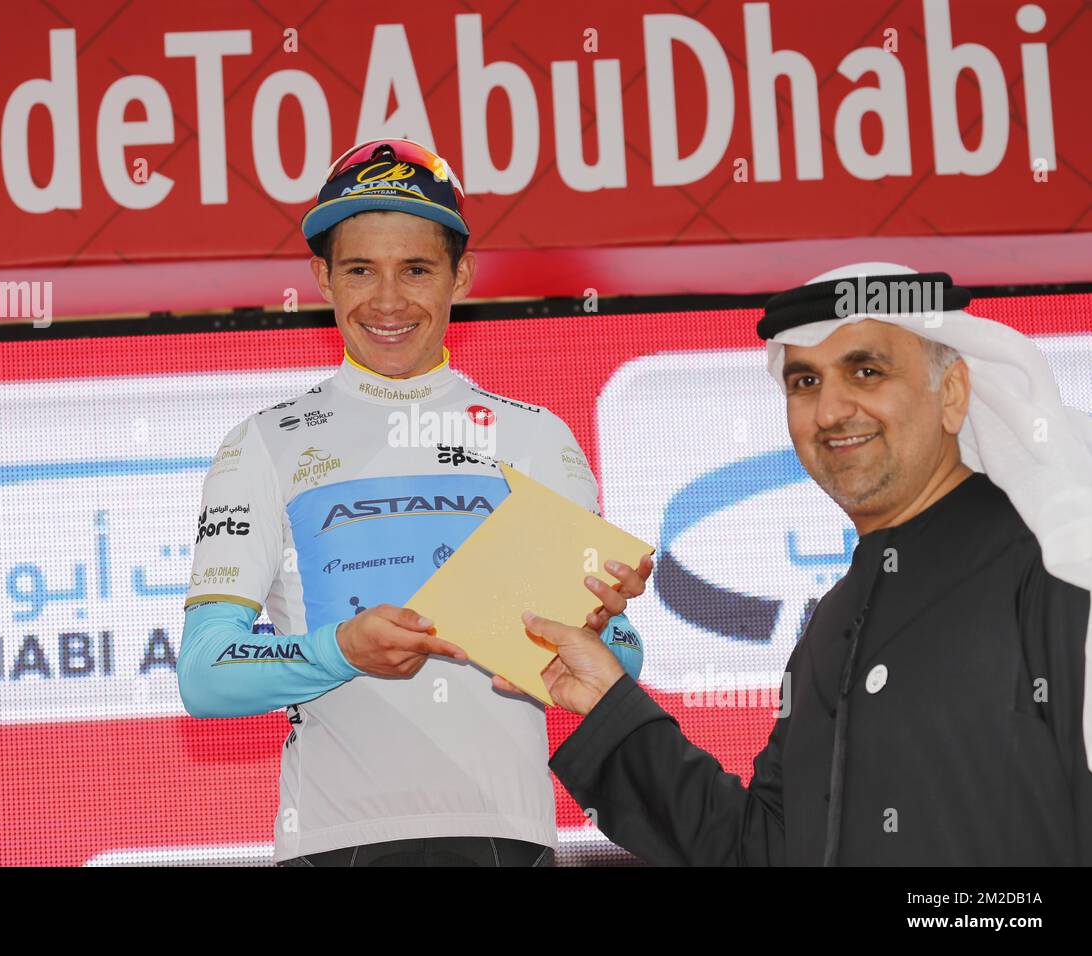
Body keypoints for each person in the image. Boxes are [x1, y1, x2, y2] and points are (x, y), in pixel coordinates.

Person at [504, 262, 1092, 865]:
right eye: (805, 382)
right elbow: (765, 851)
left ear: (952, 393)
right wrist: (609, 703)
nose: (831, 410)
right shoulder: (837, 623)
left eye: (867, 371)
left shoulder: (1057, 564)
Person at [177, 138, 651, 866]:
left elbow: (622, 658)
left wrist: (601, 624)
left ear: (459, 275)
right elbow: (206, 673)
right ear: (322, 278)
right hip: (334, 843)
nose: (389, 300)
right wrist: (342, 650)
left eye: (417, 270)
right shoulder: (262, 444)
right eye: (361, 269)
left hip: (506, 835)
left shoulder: (533, 439)